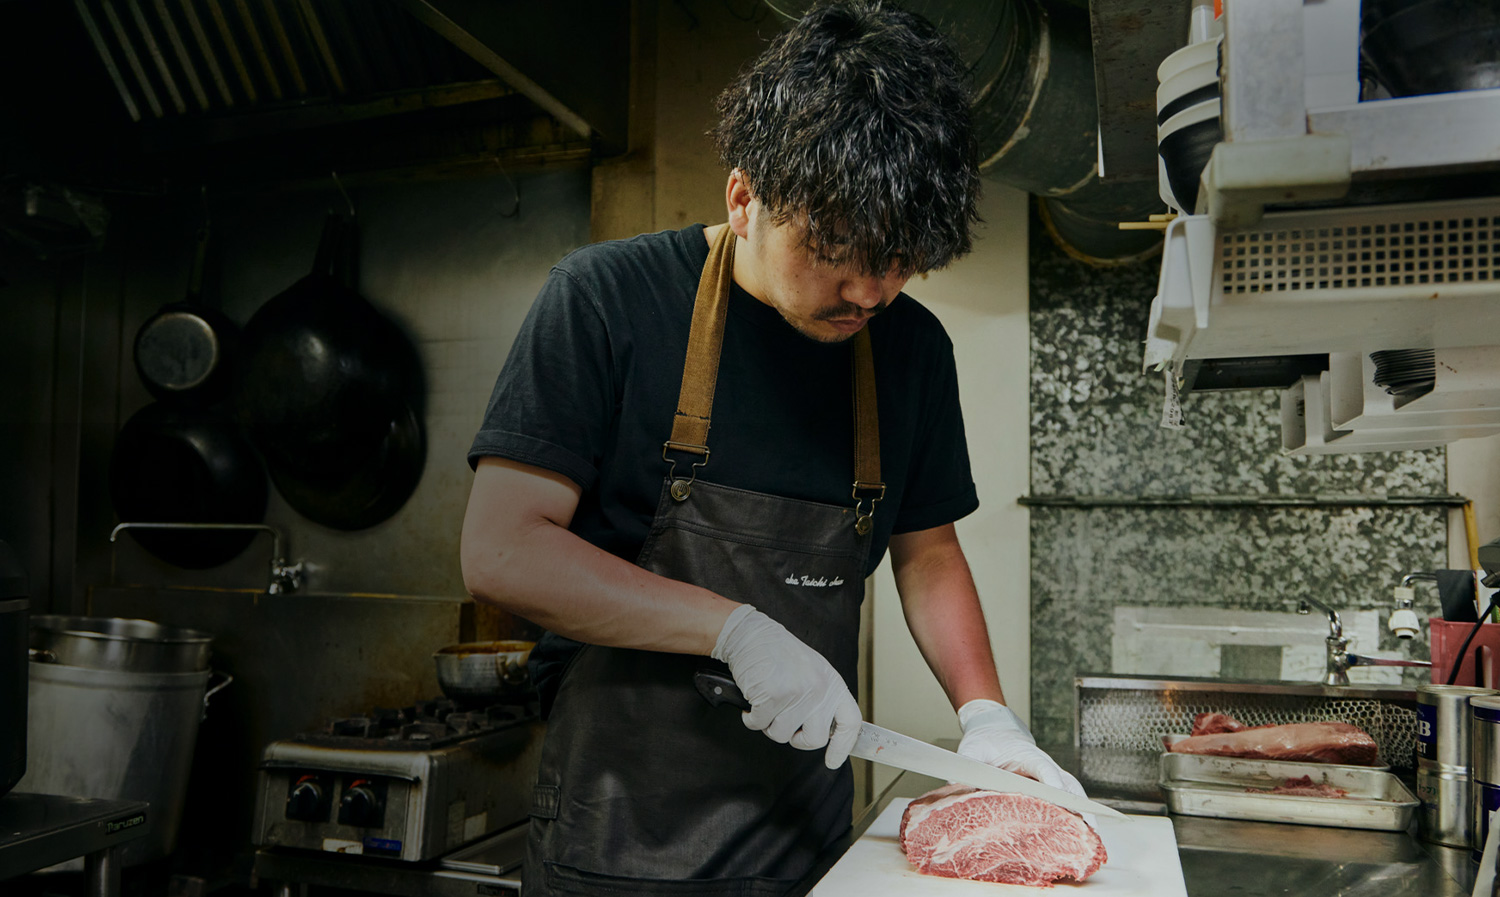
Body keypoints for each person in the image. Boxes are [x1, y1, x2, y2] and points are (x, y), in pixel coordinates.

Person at [460, 3, 1086, 894]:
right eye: (835, 250)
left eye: (900, 259)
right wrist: (733, 630)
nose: (868, 290)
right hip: (619, 841)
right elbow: (502, 551)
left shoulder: (911, 349)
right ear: (743, 197)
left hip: (807, 842)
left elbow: (928, 551)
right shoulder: (604, 300)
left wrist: (987, 714)